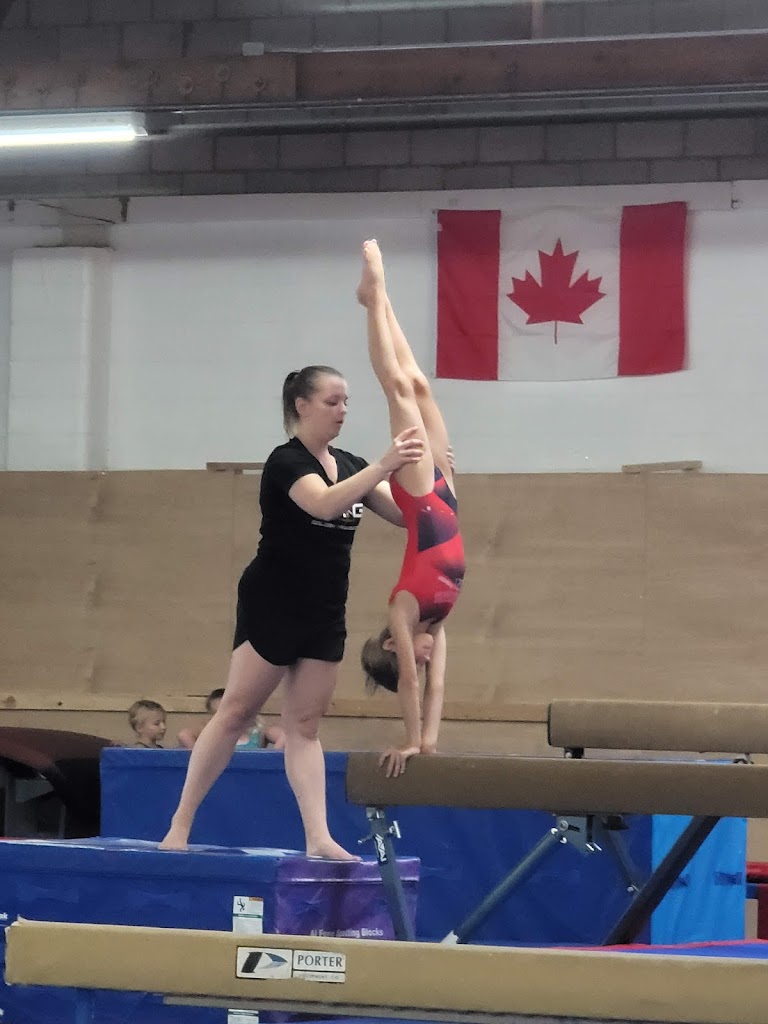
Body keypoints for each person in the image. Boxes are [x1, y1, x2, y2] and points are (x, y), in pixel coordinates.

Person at [159, 364, 424, 859]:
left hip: (324, 608)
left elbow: (408, 516)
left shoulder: (351, 464)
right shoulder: (285, 462)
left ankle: (317, 837)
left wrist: (433, 484)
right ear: (301, 405)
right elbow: (323, 504)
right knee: (236, 712)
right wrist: (383, 465)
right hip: (274, 602)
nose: (343, 410)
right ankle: (180, 824)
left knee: (305, 726)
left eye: (346, 402)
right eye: (332, 401)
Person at [357, 239, 465, 779]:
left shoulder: (403, 608)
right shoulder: (437, 621)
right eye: (420, 657)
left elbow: (411, 683)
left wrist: (407, 739)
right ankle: (378, 300)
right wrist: (427, 744)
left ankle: (374, 296)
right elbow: (436, 685)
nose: (422, 659)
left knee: (398, 388)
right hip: (445, 491)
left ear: (390, 643)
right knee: (419, 383)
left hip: (421, 495)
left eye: (410, 656)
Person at [178, 689, 285, 751]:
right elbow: (184, 735)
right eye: (217, 715)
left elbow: (284, 736)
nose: (226, 719)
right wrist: (199, 758)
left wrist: (270, 758)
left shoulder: (258, 733)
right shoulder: (211, 735)